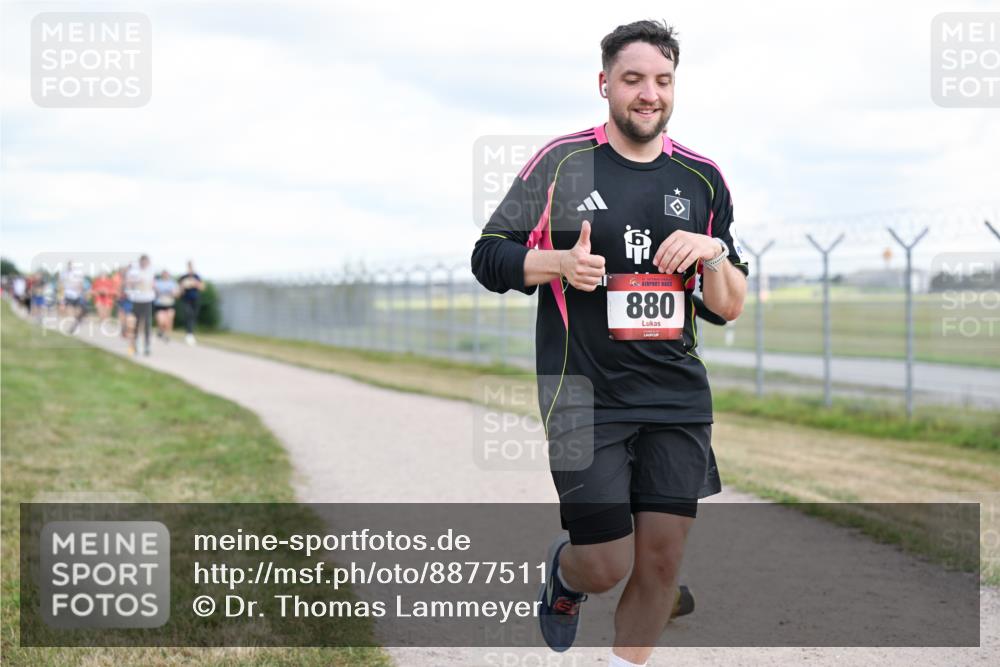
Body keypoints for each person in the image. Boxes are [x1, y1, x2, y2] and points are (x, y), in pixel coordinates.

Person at [470, 20, 749, 666]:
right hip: (581, 393)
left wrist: (712, 253)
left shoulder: (702, 179)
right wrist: (558, 264)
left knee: (659, 562)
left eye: (662, 80)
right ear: (604, 85)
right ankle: (565, 579)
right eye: (632, 79)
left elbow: (728, 306)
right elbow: (490, 256)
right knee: (605, 561)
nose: (648, 93)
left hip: (676, 397)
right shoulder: (563, 163)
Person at [126, 255, 156, 356]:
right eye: (142, 262)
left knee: (147, 323)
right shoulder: (134, 271)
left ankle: (147, 345)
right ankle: (135, 346)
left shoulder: (151, 271)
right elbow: (128, 282)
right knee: (136, 323)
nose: (144, 264)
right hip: (136, 299)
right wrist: (137, 281)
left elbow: (152, 283)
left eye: (146, 262)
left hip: (147, 299)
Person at [177, 261, 204, 346]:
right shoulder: (183, 277)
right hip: (186, 299)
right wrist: (183, 286)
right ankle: (189, 334)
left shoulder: (197, 276)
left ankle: (191, 333)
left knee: (193, 316)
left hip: (195, 299)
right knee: (188, 314)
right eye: (189, 267)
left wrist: (195, 283)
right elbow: (180, 289)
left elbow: (202, 287)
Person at [153, 270, 179, 342]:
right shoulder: (157, 282)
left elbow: (177, 294)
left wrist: (174, 293)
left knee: (169, 320)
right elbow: (154, 292)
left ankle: (167, 335)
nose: (165, 275)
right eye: (164, 274)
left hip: (170, 304)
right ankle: (160, 330)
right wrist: (157, 292)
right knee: (161, 321)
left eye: (167, 274)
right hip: (159, 304)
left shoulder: (173, 283)